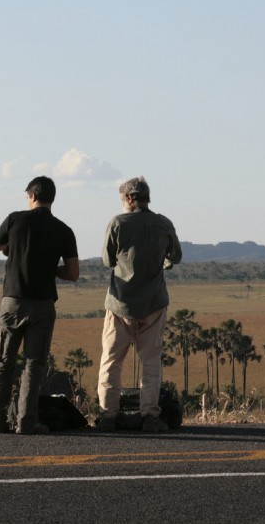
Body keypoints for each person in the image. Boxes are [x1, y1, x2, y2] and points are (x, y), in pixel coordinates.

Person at [0, 176, 79, 435]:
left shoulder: (15, 219)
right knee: (34, 364)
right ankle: (27, 421)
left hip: (13, 302)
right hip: (43, 305)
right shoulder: (63, 230)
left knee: (3, 361)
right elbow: (73, 273)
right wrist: (49, 267)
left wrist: (12, 249)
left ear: (33, 195)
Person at [97, 176, 182, 433]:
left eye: (123, 199)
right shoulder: (163, 223)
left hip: (120, 303)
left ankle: (107, 416)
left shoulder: (117, 223)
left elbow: (106, 260)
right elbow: (175, 256)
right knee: (151, 362)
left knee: (111, 360)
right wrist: (161, 263)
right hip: (154, 303)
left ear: (129, 198)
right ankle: (150, 416)